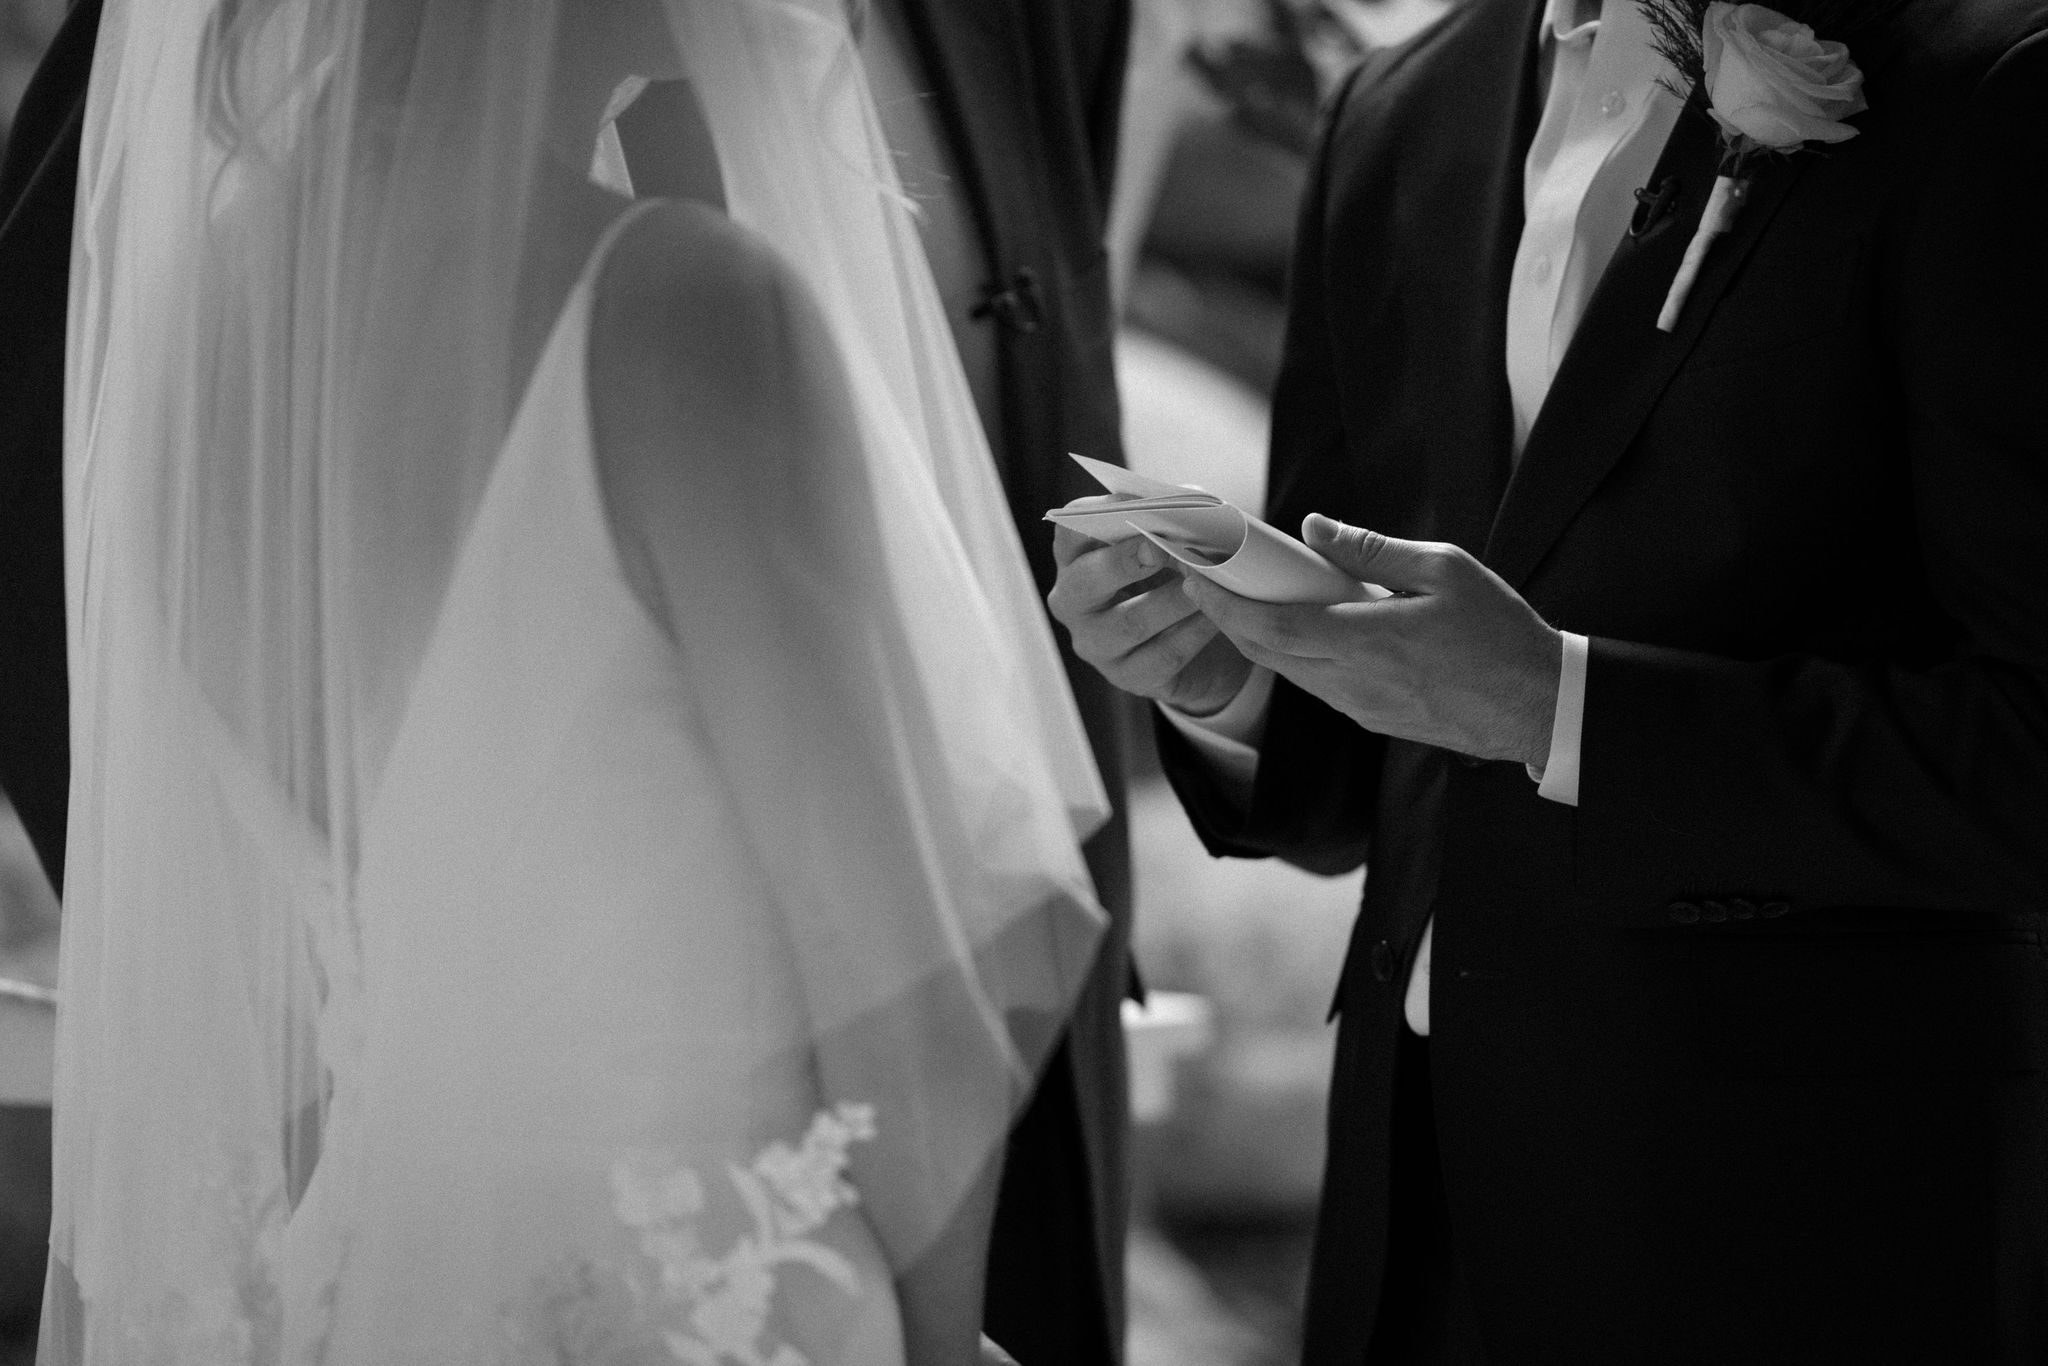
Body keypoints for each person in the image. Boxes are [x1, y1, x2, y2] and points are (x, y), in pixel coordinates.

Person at [43, 1, 1108, 1362]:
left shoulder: (207, 327)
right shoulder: (684, 317)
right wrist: (947, 1346)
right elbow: (909, 1021)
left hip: (356, 1297)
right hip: (704, 1302)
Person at [1051, 0, 2048, 1360]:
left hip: (1810, 1227)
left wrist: (1559, 705)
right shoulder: (1398, 108)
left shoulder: (1992, 77)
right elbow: (1373, 777)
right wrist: (1234, 681)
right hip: (1418, 1216)